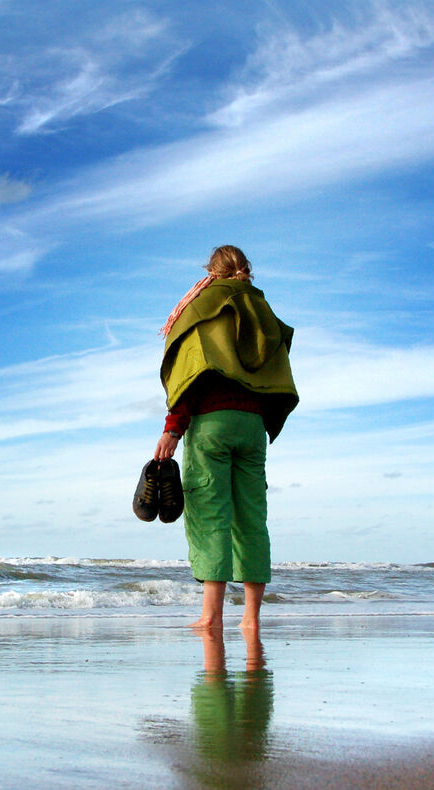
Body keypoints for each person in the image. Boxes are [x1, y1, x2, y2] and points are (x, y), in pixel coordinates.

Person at [154, 246, 298, 631]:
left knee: (211, 515)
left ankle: (211, 616)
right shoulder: (261, 309)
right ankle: (251, 619)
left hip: (212, 423)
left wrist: (173, 428)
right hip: (253, 427)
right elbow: (275, 366)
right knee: (252, 518)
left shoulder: (204, 305)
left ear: (211, 270)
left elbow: (193, 370)